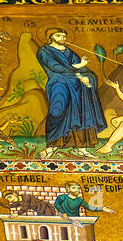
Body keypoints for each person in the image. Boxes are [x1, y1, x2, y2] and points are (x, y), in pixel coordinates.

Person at [36, 28, 107, 158]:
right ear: (50, 37)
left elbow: (84, 69)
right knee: (57, 112)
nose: (62, 38)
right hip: (58, 84)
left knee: (80, 114)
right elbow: (55, 67)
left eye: (64, 36)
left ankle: (82, 148)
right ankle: (52, 147)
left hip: (76, 85)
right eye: (58, 36)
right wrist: (78, 67)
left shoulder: (70, 52)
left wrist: (86, 78)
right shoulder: (44, 51)